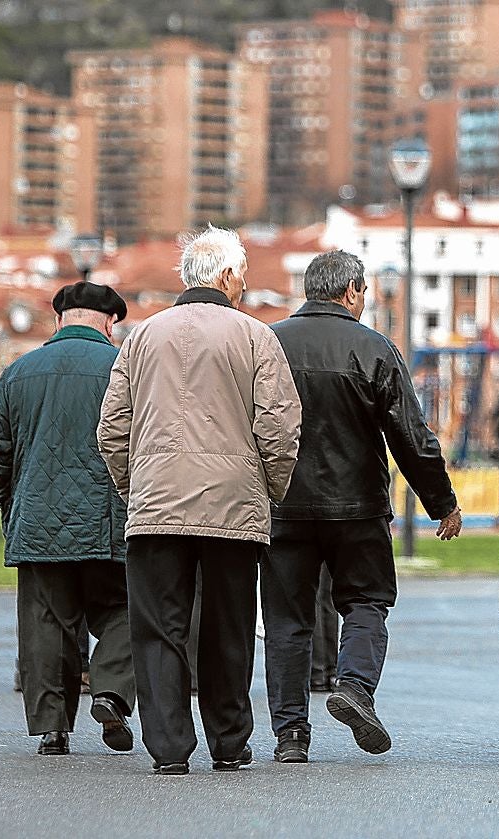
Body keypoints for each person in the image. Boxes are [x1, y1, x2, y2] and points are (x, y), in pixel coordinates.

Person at [98, 226, 301, 775]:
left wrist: (134, 487)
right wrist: (269, 492)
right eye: (244, 274)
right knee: (228, 626)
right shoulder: (257, 337)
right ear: (229, 276)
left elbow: (112, 427)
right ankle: (229, 740)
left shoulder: (141, 336)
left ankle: (168, 748)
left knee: (158, 627)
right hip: (234, 508)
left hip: (156, 506)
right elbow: (280, 430)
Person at [262, 249, 462, 764]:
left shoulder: (269, 344)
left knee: (287, 621)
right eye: (365, 291)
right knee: (367, 602)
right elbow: (410, 438)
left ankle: (290, 736)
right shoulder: (374, 348)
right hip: (358, 508)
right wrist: (442, 503)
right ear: (350, 292)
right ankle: (353, 685)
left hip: (283, 505)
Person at [0, 281, 137, 757]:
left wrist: (8, 502)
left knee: (47, 621)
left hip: (38, 522)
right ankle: (110, 692)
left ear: (58, 320)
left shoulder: (17, 372)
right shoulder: (123, 370)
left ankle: (52, 728)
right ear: (110, 323)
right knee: (126, 609)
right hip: (112, 521)